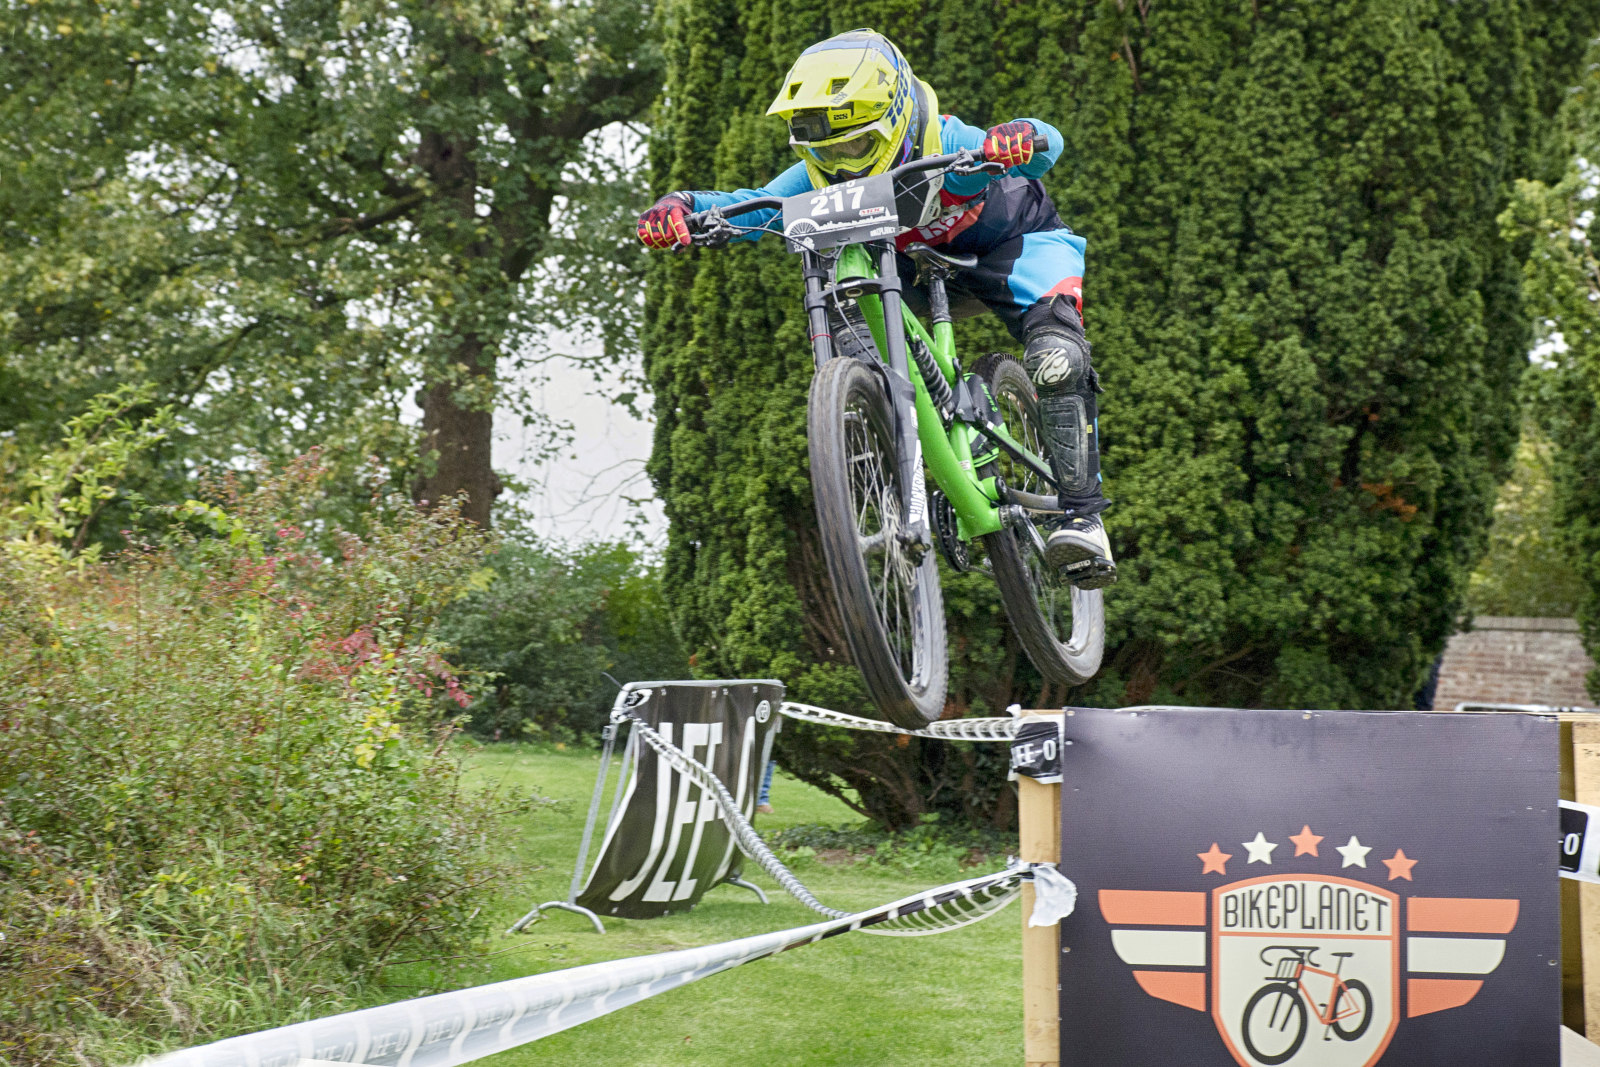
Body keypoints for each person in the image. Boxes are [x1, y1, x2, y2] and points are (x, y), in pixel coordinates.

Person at [636, 28, 1114, 586]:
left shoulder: (946, 139)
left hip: (1011, 246)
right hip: (906, 273)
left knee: (1056, 359)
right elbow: (747, 206)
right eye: (826, 151)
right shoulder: (811, 177)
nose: (842, 166)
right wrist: (681, 207)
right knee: (857, 339)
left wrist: (1019, 138)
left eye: (856, 146)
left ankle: (1083, 516)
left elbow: (1047, 146)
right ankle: (913, 460)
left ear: (897, 118)